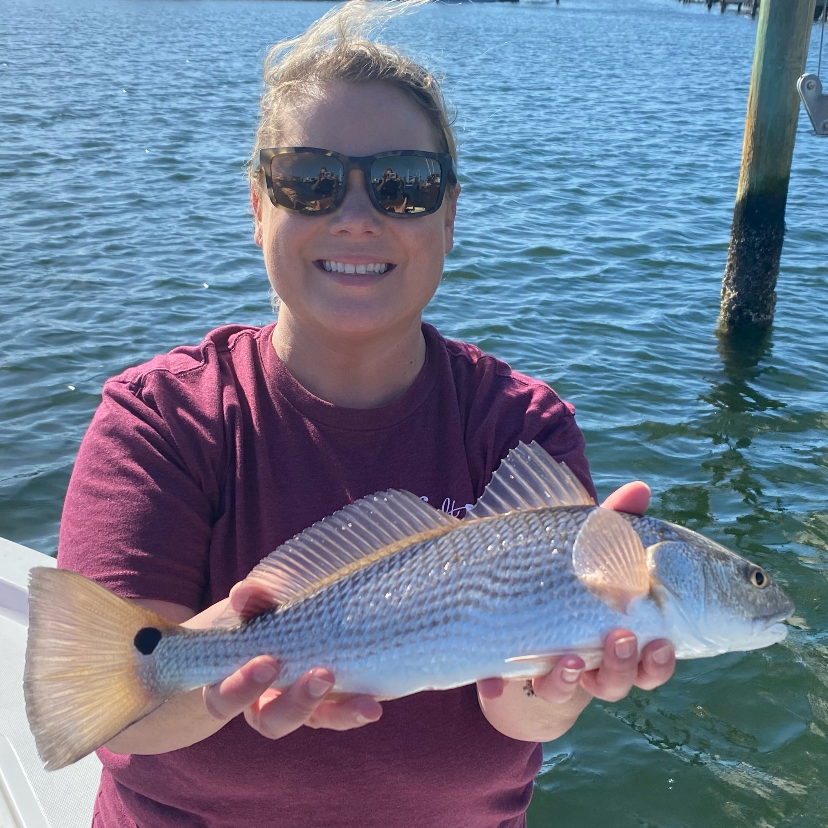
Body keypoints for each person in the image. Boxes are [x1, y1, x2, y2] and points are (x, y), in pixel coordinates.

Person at [56, 3, 675, 826]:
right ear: (256, 206)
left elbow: (521, 711)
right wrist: (239, 669)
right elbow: (117, 712)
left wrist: (560, 684)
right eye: (308, 181)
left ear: (450, 215)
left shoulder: (525, 428)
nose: (356, 215)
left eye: (404, 186)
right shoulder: (162, 419)